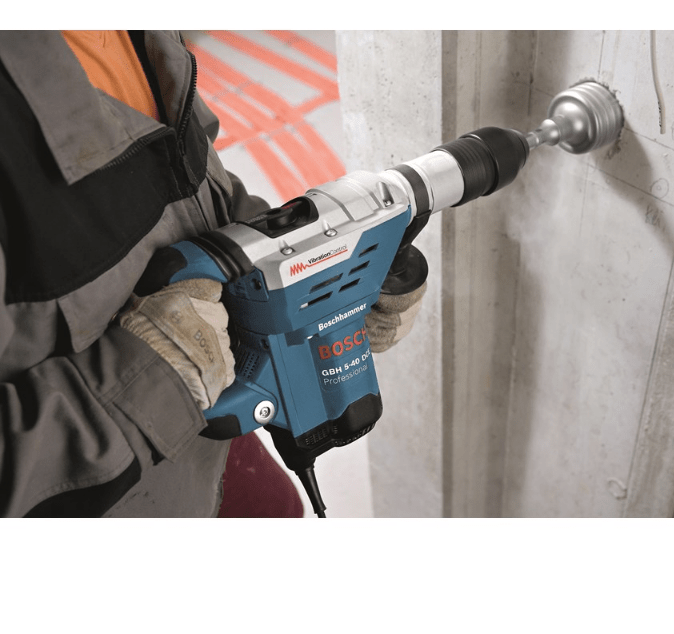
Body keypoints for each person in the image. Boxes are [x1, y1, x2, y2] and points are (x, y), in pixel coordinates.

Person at [0, 30, 425, 518]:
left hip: (207, 452)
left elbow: (193, 184)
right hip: (121, 495)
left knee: (281, 508)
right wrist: (152, 380)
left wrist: (307, 272)